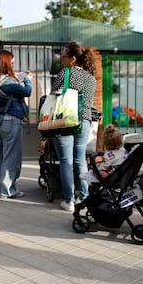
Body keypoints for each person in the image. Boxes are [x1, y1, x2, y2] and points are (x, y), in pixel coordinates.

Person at [52, 43, 97, 212]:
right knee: (80, 160)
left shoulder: (65, 73)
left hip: (64, 120)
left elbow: (53, 95)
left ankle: (69, 200)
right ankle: (84, 197)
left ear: (72, 59)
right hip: (84, 121)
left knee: (66, 162)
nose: (62, 59)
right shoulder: (91, 78)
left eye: (63, 56)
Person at [0, 50, 32, 199]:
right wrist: (27, 79)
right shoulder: (9, 82)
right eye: (12, 62)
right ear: (6, 63)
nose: (13, 64)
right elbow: (27, 91)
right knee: (11, 156)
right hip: (11, 121)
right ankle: (8, 189)